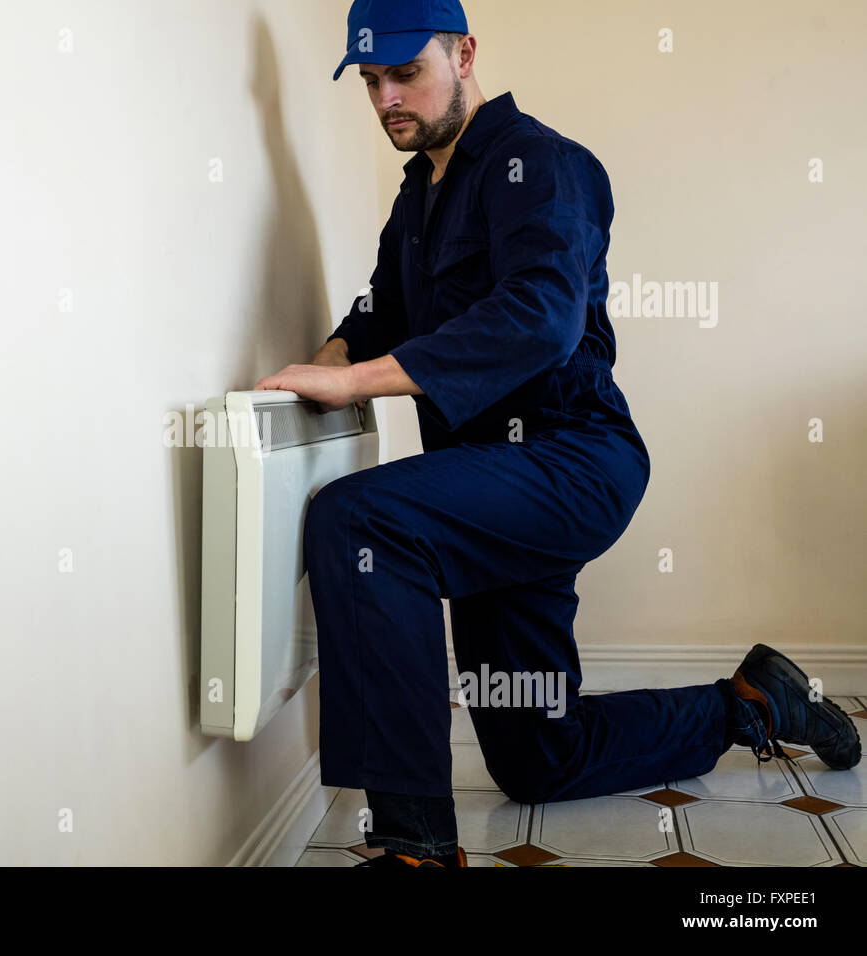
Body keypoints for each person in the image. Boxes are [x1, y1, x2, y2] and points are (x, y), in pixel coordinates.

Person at [254, 0, 861, 868]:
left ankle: (414, 846)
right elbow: (381, 308)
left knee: (362, 520)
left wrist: (351, 382)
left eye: (406, 72)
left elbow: (540, 317)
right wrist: (319, 365)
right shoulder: (418, 196)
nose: (389, 98)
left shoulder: (542, 164)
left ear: (464, 53)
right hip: (485, 478)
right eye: (373, 81)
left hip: (571, 460)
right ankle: (753, 705)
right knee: (541, 755)